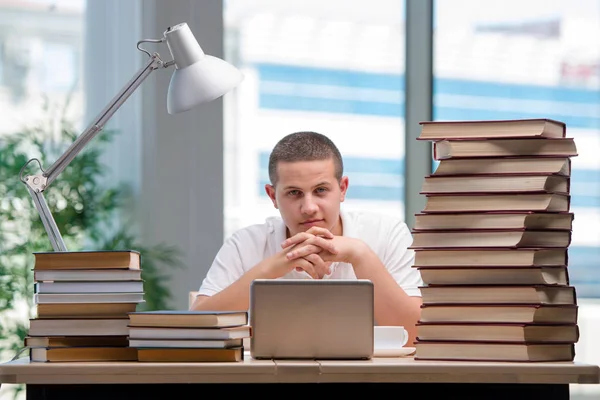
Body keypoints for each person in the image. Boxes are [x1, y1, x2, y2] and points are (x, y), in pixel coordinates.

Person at [191, 131, 423, 342]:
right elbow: (197, 330)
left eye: (321, 190)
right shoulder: (245, 243)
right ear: (272, 196)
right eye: (294, 193)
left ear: (342, 189)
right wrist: (269, 269)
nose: (309, 207)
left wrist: (360, 255)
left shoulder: (387, 234)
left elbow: (417, 335)